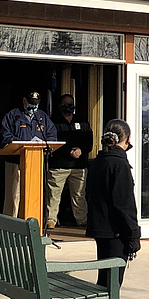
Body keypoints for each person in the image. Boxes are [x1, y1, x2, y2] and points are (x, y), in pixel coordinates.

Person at [84, 118, 140, 299]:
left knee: (104, 282)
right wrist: (133, 237)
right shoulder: (119, 165)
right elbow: (124, 206)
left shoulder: (98, 162)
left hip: (101, 231)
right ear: (126, 140)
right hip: (115, 233)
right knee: (111, 285)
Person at [1, 91, 57, 218]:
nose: (33, 107)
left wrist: (44, 143)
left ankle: (33, 222)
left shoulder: (42, 117)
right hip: (15, 162)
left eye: (35, 104)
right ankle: (11, 225)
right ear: (24, 101)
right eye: (31, 103)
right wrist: (25, 143)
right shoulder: (12, 115)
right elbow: (6, 136)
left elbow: (52, 136)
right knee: (14, 196)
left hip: (35, 162)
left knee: (34, 195)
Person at [46, 94, 93, 229]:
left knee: (79, 195)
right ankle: (51, 220)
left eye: (70, 104)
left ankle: (82, 220)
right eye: (65, 104)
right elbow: (51, 142)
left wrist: (80, 150)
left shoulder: (82, 122)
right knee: (54, 195)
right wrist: (68, 151)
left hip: (79, 165)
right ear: (60, 105)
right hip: (59, 165)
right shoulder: (53, 122)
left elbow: (89, 142)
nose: (68, 107)